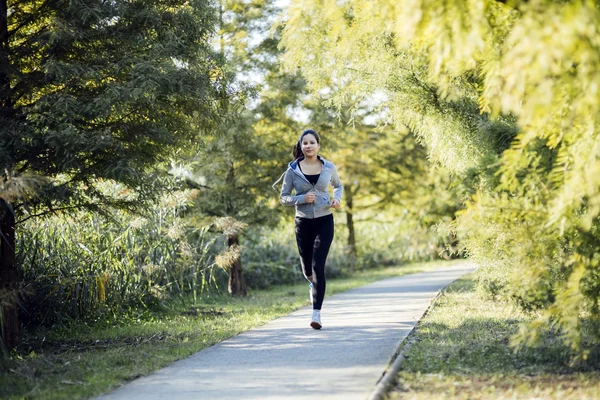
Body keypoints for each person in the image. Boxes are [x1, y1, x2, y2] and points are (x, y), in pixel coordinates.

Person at [277, 129, 343, 329]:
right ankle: (311, 283)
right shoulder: (292, 171)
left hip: (324, 220)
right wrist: (301, 199)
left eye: (312, 142)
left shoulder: (328, 167)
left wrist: (337, 199)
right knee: (308, 270)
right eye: (305, 143)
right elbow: (283, 197)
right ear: (301, 146)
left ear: (318, 145)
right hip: (303, 222)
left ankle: (316, 314)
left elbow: (338, 186)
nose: (308, 145)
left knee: (317, 267)